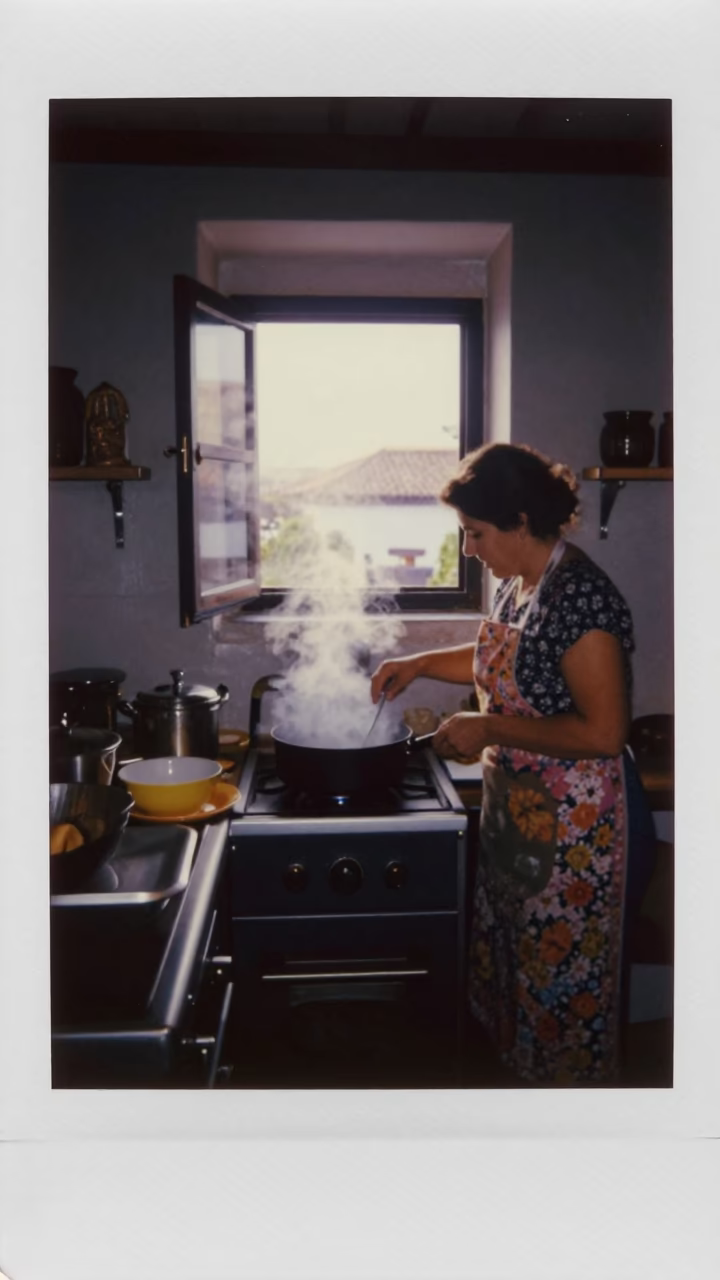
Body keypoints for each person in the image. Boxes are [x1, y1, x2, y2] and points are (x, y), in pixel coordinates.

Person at [371, 442, 653, 1086]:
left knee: (563, 993)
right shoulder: (520, 585)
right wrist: (418, 664)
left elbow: (605, 733)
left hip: (584, 833)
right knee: (521, 977)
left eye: (474, 533)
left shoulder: (583, 598)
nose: (468, 550)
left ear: (520, 521)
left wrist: (488, 724)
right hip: (526, 824)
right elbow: (501, 654)